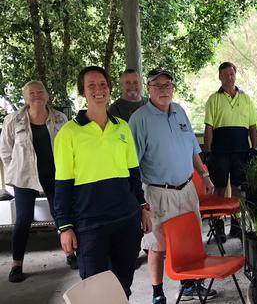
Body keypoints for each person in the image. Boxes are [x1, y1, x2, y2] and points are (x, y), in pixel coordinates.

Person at [53, 66, 152, 298]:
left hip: (126, 220)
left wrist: (143, 207)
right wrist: (64, 226)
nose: (99, 90)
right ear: (83, 92)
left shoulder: (122, 127)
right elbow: (62, 186)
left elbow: (133, 175)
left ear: (109, 89)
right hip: (90, 224)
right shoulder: (69, 133)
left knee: (122, 285)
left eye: (103, 85)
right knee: (96, 290)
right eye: (92, 86)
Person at [130, 69, 216, 304]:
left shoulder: (180, 111)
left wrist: (204, 175)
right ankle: (158, 293)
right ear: (148, 89)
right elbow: (132, 164)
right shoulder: (139, 119)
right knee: (156, 245)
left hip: (187, 189)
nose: (163, 89)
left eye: (167, 85)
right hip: (158, 192)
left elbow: (193, 149)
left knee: (189, 239)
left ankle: (189, 284)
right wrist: (141, 203)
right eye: (157, 85)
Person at [0, 81, 75, 283]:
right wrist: (16, 170)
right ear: (24, 97)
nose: (36, 96)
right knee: (23, 220)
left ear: (47, 95)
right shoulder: (13, 120)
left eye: (40, 92)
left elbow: (69, 146)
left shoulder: (60, 118)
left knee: (62, 215)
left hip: (55, 176)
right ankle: (17, 265)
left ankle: (70, 254)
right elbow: (6, 151)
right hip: (25, 178)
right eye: (31, 93)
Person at [203, 62, 257, 240]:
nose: (229, 77)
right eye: (225, 74)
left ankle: (236, 226)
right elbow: (209, 127)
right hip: (219, 152)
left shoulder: (246, 99)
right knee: (219, 190)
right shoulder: (213, 99)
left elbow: (253, 127)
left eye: (232, 73)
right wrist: (208, 152)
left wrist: (255, 149)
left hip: (241, 152)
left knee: (237, 189)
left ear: (236, 75)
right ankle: (218, 227)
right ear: (219, 76)